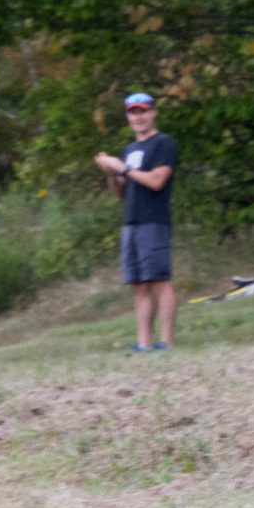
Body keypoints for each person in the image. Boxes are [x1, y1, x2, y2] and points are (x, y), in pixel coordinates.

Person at [95, 90, 178, 352]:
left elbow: (156, 181)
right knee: (138, 284)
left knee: (159, 280)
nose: (139, 117)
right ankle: (144, 343)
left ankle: (166, 342)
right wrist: (111, 174)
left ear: (153, 113)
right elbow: (121, 192)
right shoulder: (130, 149)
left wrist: (122, 168)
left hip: (154, 221)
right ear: (128, 117)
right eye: (133, 112)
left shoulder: (164, 143)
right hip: (130, 222)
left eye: (143, 111)